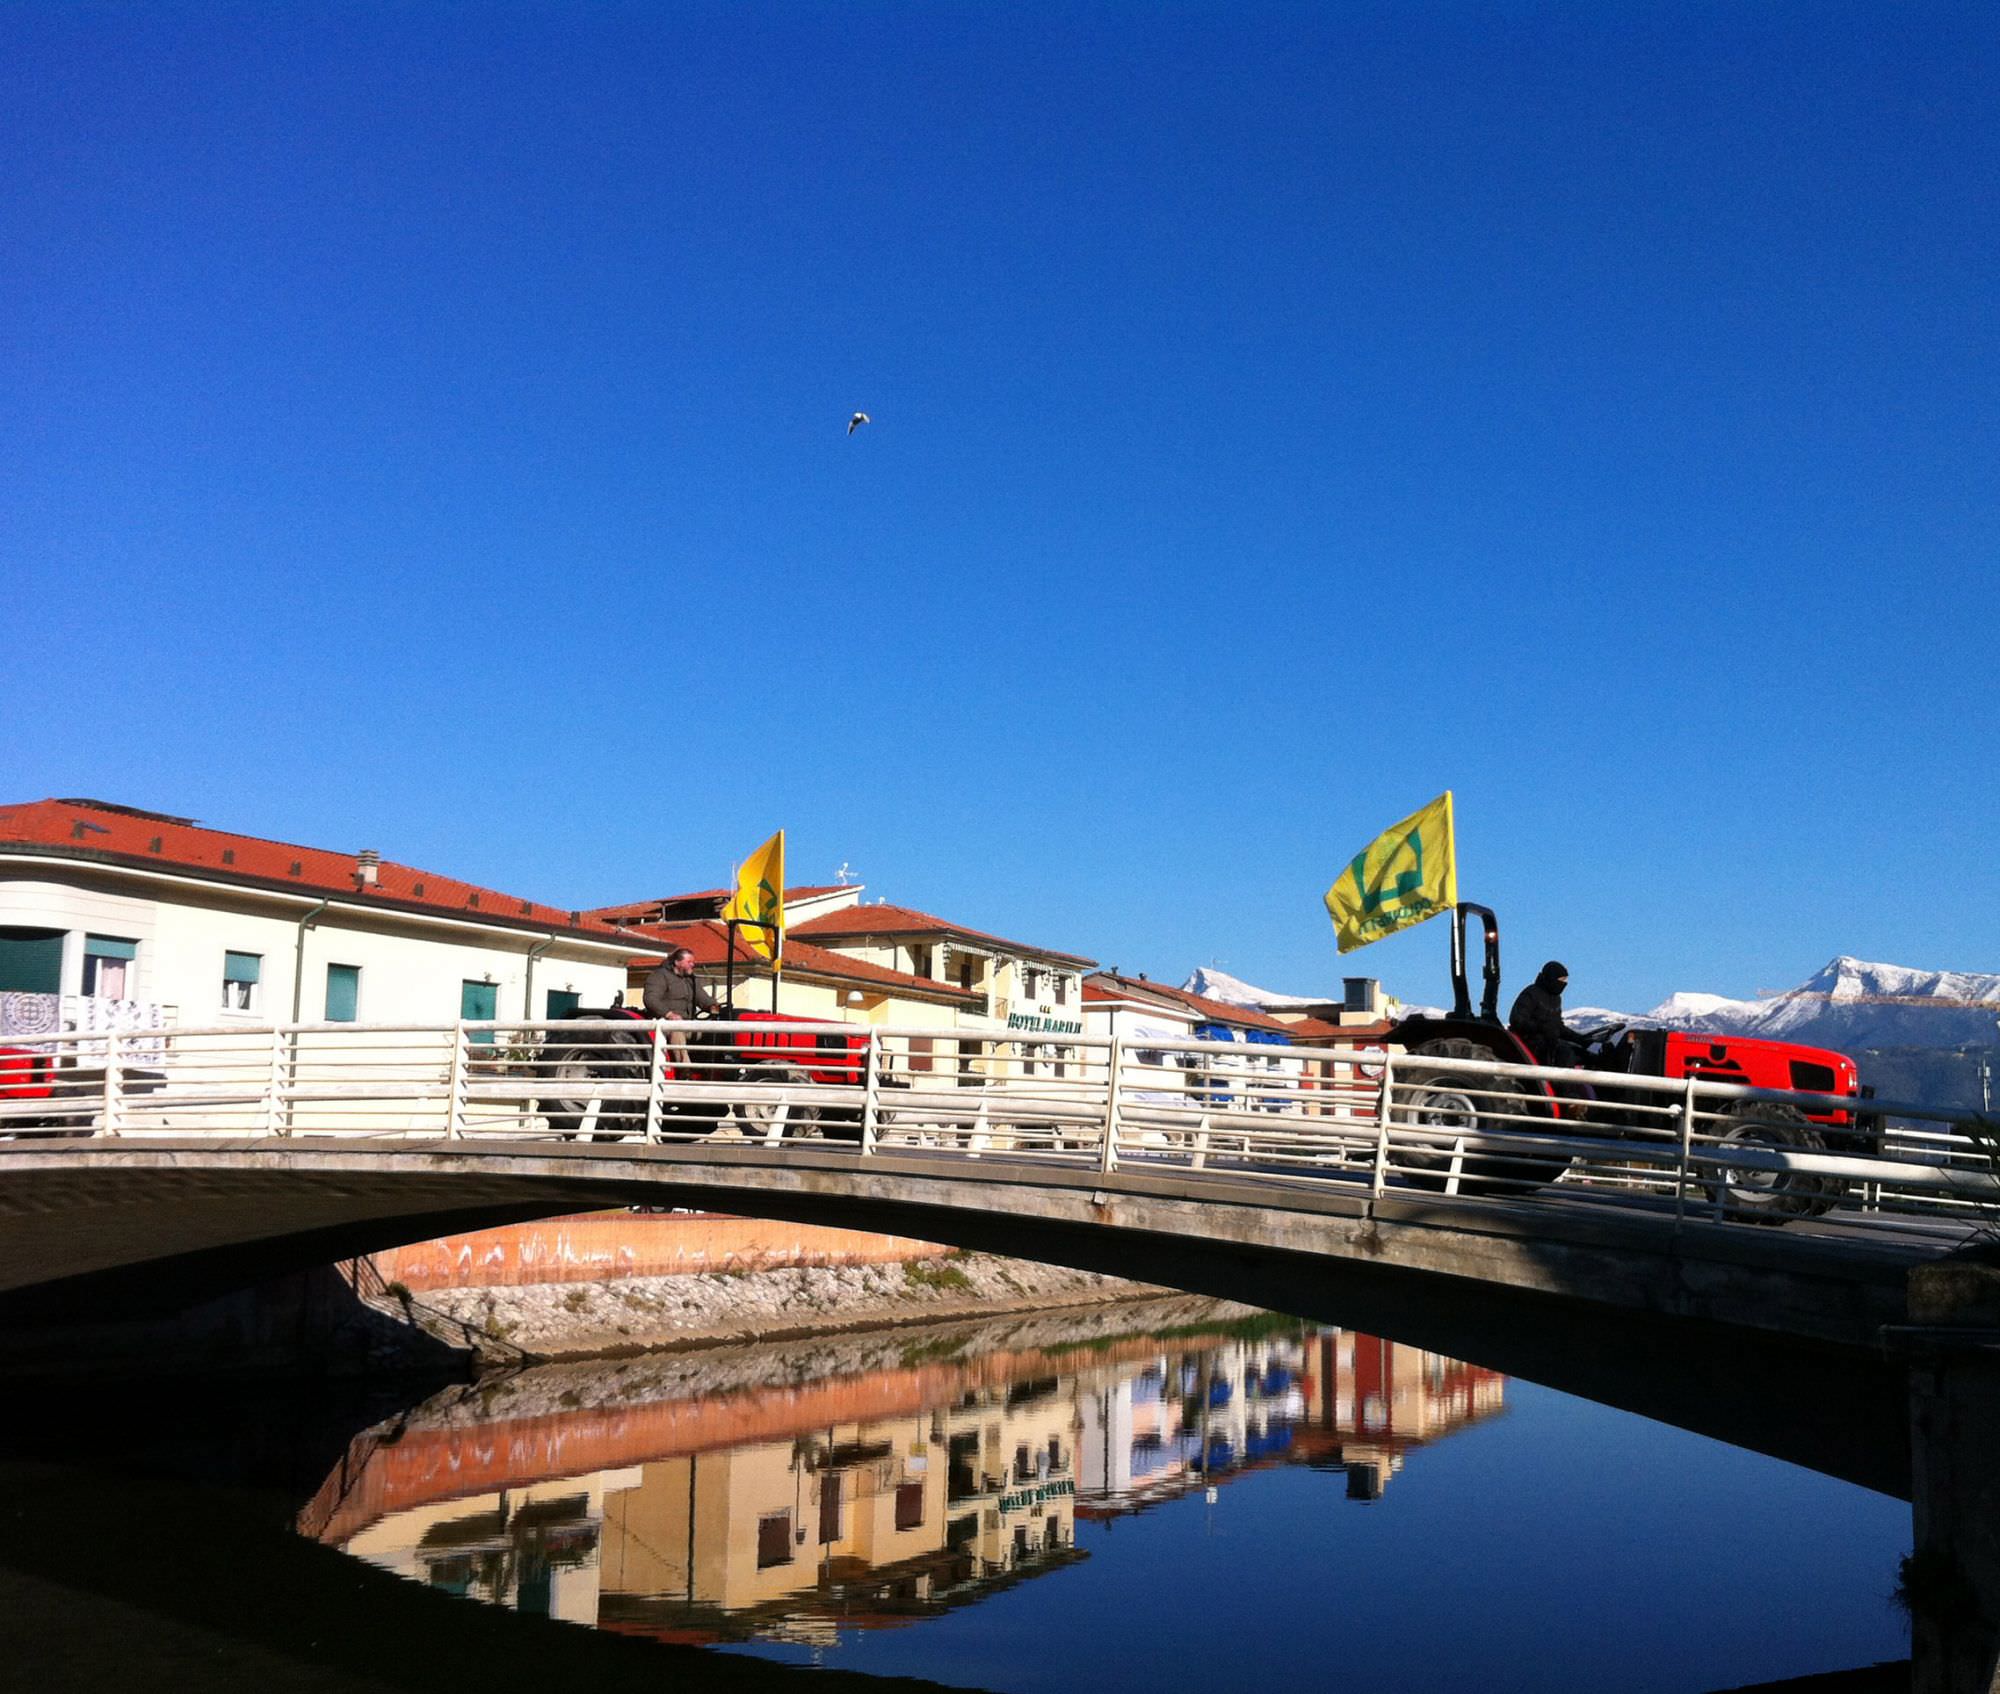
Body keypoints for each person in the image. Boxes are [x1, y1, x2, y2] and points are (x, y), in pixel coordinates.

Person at [643, 947, 718, 1075]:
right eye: (689, 962)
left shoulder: (690, 980)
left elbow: (702, 998)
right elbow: (650, 999)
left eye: (692, 962)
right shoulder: (659, 976)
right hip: (665, 1022)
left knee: (713, 1031)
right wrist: (669, 1014)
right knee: (676, 1030)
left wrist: (713, 1006)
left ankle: (713, 1069)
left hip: (687, 1023)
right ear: (677, 962)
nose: (692, 965)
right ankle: (685, 1069)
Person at [1507, 960, 1595, 1069]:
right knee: (1564, 1052)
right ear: (1551, 978)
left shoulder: (1556, 999)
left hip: (1549, 1041)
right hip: (1529, 1042)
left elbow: (1558, 1026)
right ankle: (1561, 1083)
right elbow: (1517, 1020)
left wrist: (1580, 1039)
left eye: (1565, 981)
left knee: (1584, 1055)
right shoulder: (1531, 993)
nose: (1564, 984)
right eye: (1561, 980)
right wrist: (1541, 1027)